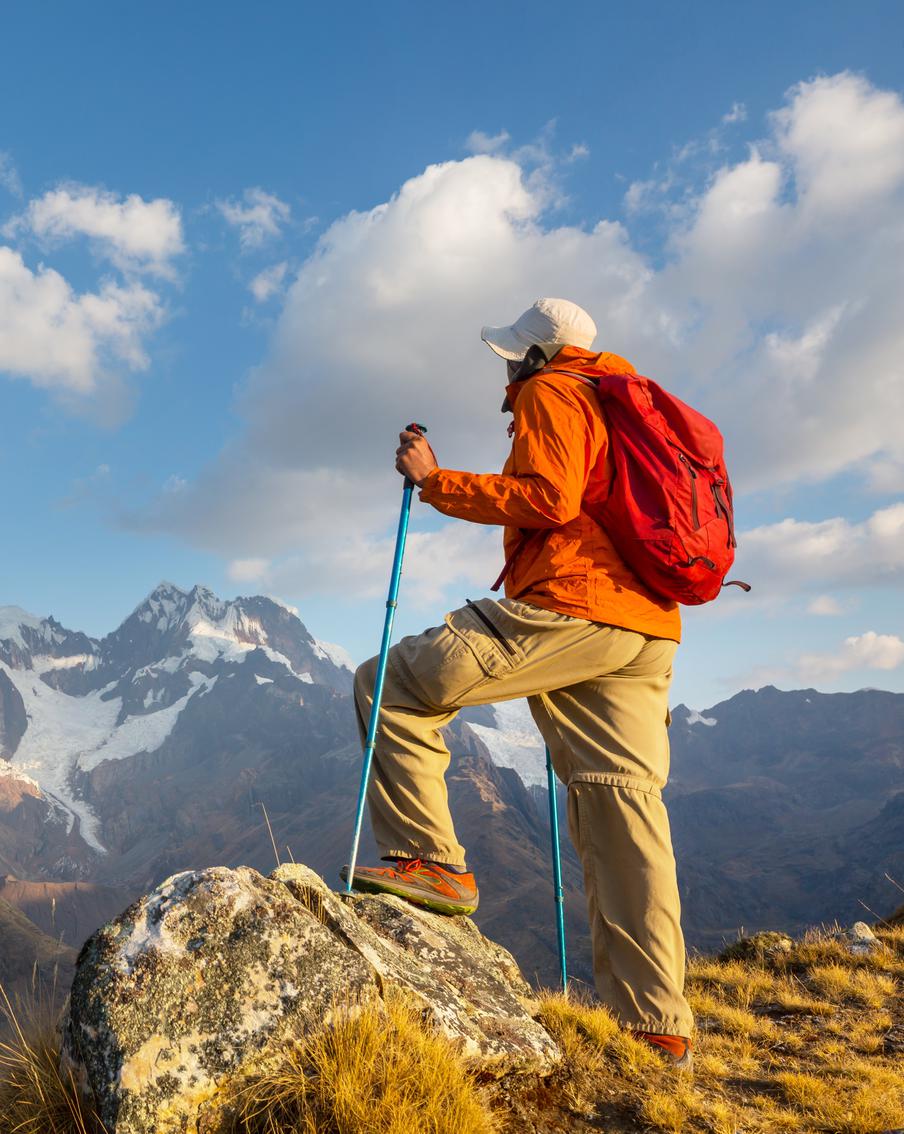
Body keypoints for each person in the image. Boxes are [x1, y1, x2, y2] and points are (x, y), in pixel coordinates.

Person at [343, 298, 694, 1066]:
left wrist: (435, 482)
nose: (505, 367)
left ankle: (428, 858)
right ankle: (655, 1025)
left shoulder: (552, 391)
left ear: (536, 354)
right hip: (648, 626)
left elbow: (549, 497)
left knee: (389, 684)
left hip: (573, 606)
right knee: (622, 807)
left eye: (512, 355)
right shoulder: (619, 399)